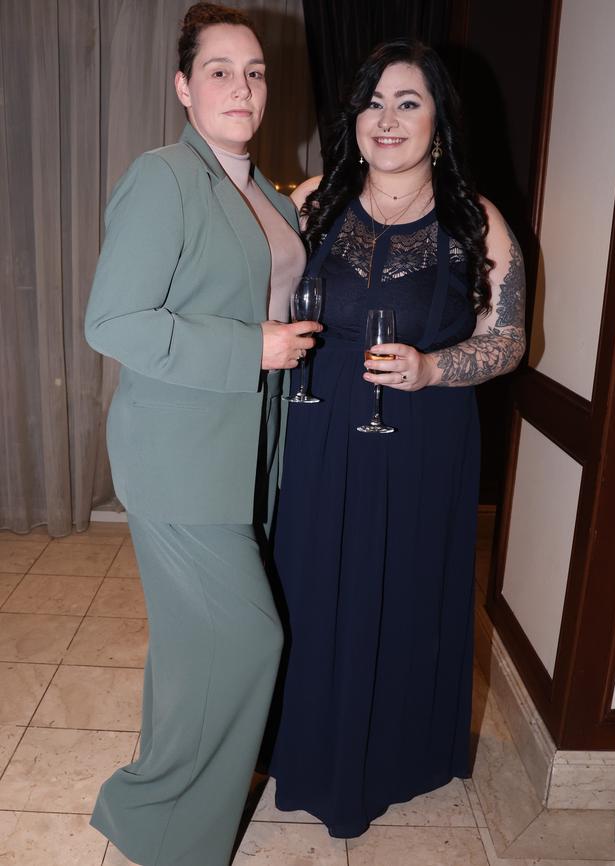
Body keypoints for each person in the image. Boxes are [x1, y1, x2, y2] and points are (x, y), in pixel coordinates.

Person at [269, 38, 525, 838]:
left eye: (408, 103)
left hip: (420, 435)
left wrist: (433, 368)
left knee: (400, 592)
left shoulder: (475, 220)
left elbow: (510, 339)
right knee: (308, 589)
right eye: (374, 103)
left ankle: (392, 755)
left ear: (439, 123)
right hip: (316, 432)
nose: (387, 120)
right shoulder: (311, 200)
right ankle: (301, 744)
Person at [84, 4, 319, 865]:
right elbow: (112, 322)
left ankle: (156, 793)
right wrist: (249, 346)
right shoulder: (164, 177)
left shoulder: (264, 193)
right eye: (219, 69)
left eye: (254, 71)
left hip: (248, 447)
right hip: (180, 456)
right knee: (247, 637)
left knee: (193, 647)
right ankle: (162, 826)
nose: (241, 86)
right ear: (184, 87)